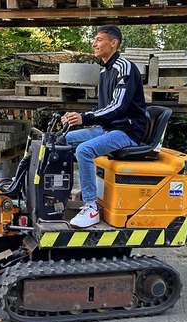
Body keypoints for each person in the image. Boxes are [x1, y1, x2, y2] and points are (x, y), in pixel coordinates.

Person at [62, 25, 148, 229]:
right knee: (60, 141)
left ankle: (91, 207)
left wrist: (85, 117)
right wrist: (75, 117)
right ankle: (57, 196)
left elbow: (118, 107)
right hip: (108, 127)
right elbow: (104, 107)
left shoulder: (124, 67)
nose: (94, 43)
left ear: (113, 43)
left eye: (99, 39)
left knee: (84, 150)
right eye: (95, 39)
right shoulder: (105, 70)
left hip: (127, 130)